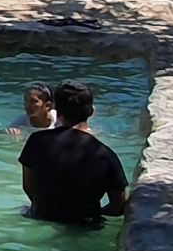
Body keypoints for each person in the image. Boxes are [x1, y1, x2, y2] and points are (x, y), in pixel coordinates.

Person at [19, 81, 127, 224]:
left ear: (56, 109)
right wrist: (90, 213)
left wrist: (47, 210)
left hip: (40, 217)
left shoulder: (36, 141)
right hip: (85, 226)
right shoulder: (105, 155)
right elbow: (118, 207)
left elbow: (28, 186)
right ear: (91, 111)